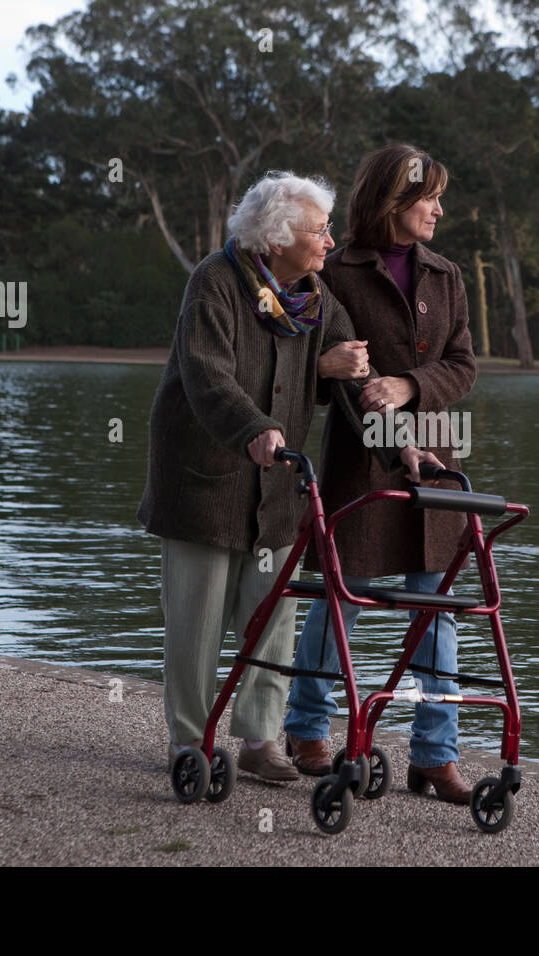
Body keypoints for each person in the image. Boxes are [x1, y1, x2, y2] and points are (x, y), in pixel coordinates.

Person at [137, 171, 372, 782]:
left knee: (271, 619)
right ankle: (190, 740)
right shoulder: (215, 282)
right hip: (203, 478)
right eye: (319, 230)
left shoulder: (313, 297)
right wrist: (254, 425)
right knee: (197, 622)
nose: (330, 240)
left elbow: (351, 376)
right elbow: (209, 373)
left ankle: (260, 740)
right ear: (277, 236)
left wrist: (406, 445)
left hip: (276, 487)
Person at [283, 144, 478, 803]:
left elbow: (463, 366)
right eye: (430, 199)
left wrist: (409, 384)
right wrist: (350, 379)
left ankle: (435, 755)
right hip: (359, 461)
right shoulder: (329, 273)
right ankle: (306, 728)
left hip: (438, 461)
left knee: (439, 608)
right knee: (343, 600)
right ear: (396, 202)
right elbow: (305, 364)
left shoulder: (447, 275)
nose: (440, 210)